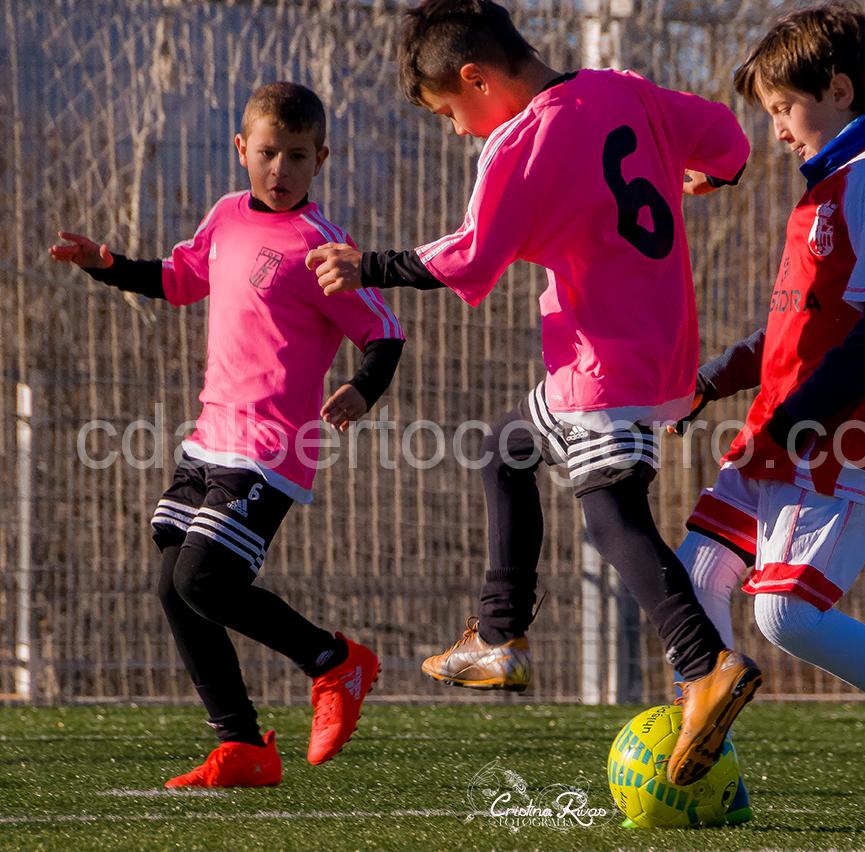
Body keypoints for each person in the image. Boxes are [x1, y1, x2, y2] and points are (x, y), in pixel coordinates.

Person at [306, 0, 761, 787]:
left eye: (450, 111)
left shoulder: (520, 141)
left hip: (600, 359)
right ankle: (499, 636)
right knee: (506, 448)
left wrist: (366, 265)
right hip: (656, 350)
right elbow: (727, 138)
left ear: (476, 78)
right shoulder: (624, 89)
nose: (458, 130)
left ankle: (704, 663)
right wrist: (708, 174)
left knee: (611, 513)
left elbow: (472, 257)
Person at [671, 2, 865, 821]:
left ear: (839, 90)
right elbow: (792, 330)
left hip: (840, 443)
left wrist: (802, 419)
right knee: (694, 574)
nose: (775, 129)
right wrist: (710, 380)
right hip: (780, 431)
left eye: (782, 107)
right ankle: (709, 759)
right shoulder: (827, 188)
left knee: (784, 615)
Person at [49, 81, 405, 788]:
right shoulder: (225, 216)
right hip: (209, 437)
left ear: (320, 160)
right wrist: (106, 265)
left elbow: (384, 332)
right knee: (172, 583)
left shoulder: (320, 245)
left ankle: (335, 661)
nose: (280, 169)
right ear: (242, 149)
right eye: (268, 153)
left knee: (205, 579)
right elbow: (178, 280)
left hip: (271, 449)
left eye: (297, 156)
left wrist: (362, 388)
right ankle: (242, 746)